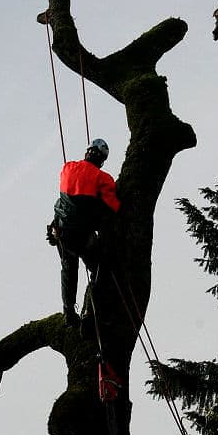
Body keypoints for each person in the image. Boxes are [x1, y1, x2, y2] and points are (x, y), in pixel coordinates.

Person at [47, 138, 121, 327]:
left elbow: (64, 200)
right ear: (102, 160)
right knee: (99, 268)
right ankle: (91, 311)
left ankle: (69, 312)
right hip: (83, 236)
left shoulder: (67, 167)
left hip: (61, 232)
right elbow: (113, 207)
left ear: (87, 152)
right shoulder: (103, 178)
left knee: (68, 268)